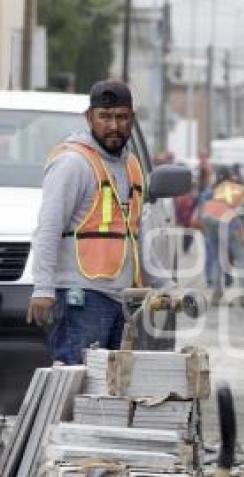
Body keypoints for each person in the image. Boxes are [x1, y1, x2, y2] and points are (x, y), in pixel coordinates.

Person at [27, 80, 170, 364]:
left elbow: (136, 234)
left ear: (132, 118)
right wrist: (43, 288)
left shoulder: (131, 166)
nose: (113, 126)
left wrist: (165, 283)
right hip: (81, 297)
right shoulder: (73, 163)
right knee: (77, 383)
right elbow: (48, 228)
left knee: (109, 391)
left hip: (121, 299)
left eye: (121, 117)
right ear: (90, 118)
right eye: (105, 117)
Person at [199, 168, 244, 307]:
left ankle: (216, 294)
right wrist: (240, 231)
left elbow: (202, 206)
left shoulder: (212, 190)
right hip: (229, 221)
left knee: (217, 258)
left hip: (208, 219)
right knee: (240, 258)